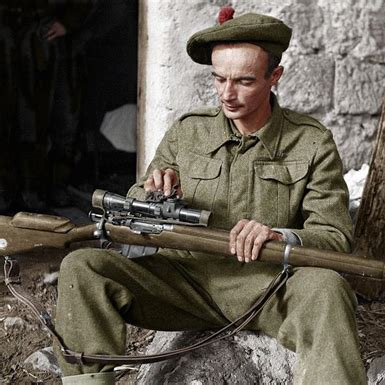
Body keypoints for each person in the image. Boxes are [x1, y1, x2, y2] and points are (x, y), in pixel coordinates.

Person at [55, 9, 367, 385]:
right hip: (182, 284)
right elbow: (132, 208)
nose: (226, 94)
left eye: (244, 81)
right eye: (218, 79)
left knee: (328, 288)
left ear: (275, 77)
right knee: (82, 267)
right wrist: (152, 191)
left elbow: (334, 236)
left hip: (268, 289)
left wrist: (280, 235)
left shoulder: (312, 141)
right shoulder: (188, 132)